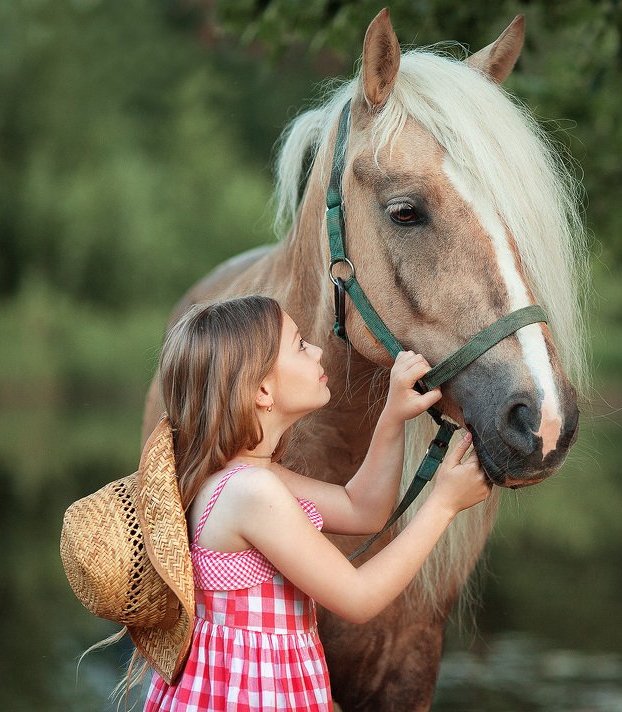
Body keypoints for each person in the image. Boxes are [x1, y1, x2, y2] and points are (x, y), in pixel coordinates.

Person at [143, 294, 491, 711]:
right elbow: (358, 598)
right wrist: (443, 505)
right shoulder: (252, 492)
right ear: (263, 391)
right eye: (300, 346)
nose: (318, 350)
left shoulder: (246, 477)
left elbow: (361, 508)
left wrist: (393, 416)